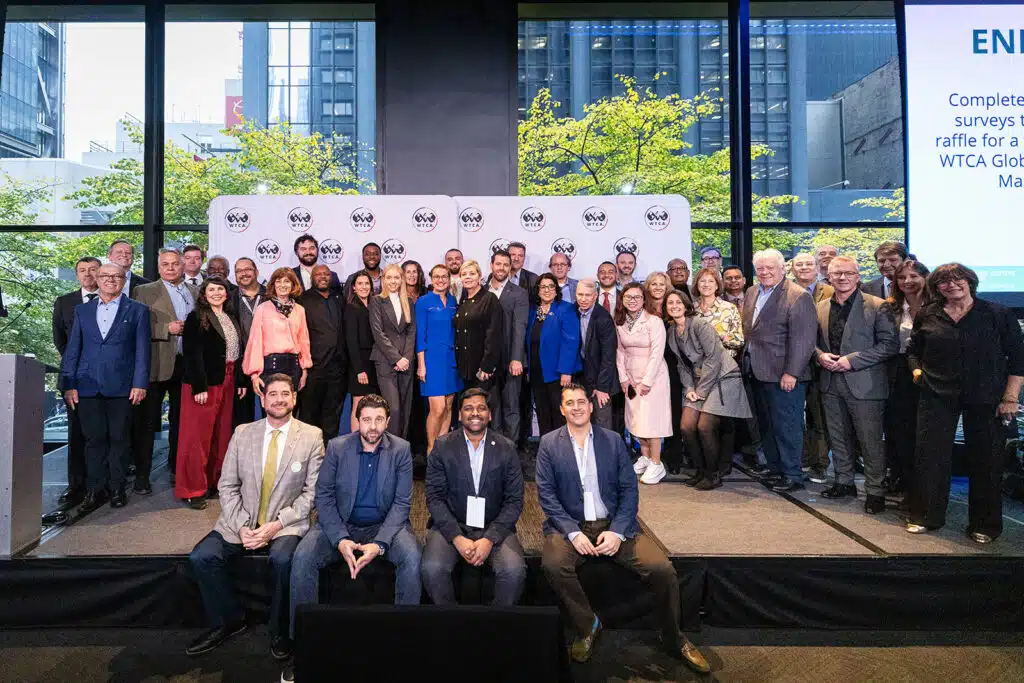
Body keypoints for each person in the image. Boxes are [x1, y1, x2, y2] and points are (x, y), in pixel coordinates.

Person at [535, 384, 709, 673]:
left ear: (591, 407)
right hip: (570, 526)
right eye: (570, 403)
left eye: (582, 402)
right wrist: (573, 533)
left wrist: (617, 531)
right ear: (561, 409)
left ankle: (674, 638)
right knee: (553, 565)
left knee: (661, 569)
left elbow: (630, 491)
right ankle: (587, 625)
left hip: (614, 523)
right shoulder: (549, 444)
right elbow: (547, 496)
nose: (577, 407)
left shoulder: (613, 441)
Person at [186, 374, 322, 661]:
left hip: (285, 525)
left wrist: (274, 526)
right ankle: (230, 619)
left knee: (284, 561)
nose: (279, 399)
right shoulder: (243, 432)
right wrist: (242, 526)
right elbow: (227, 485)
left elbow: (311, 494)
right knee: (202, 557)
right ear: (262, 399)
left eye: (286, 393)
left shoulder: (311, 436)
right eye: (273, 394)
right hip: (241, 523)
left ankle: (279, 630)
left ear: (294, 398)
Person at [287, 394, 422, 683]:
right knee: (302, 558)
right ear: (357, 421)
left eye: (378, 420)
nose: (372, 426)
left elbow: (402, 504)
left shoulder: (401, 450)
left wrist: (380, 543)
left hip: (386, 526)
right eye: (366, 419)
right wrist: (340, 539)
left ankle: (405, 643)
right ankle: (302, 646)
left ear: (387, 421)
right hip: (340, 524)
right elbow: (323, 498)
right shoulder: (337, 448)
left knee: (412, 558)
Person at [905, 263, 1024, 543]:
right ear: (936, 288)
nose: (952, 285)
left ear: (971, 282)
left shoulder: (997, 314)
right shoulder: (928, 314)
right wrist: (917, 372)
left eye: (958, 279)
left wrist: (1010, 397)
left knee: (986, 460)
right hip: (936, 393)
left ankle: (985, 525)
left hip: (987, 396)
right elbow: (913, 351)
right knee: (930, 457)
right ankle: (925, 517)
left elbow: (1018, 359)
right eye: (944, 282)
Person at [421, 389, 526, 605]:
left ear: (489, 414)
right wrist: (456, 537)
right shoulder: (442, 447)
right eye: (468, 408)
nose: (474, 413)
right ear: (459, 415)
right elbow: (434, 498)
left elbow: (514, 501)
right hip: (451, 524)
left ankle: (495, 630)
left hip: (494, 525)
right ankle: (452, 626)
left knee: (514, 570)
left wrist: (490, 538)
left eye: (481, 408)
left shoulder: (507, 448)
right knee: (432, 569)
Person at [60, 263, 150, 512]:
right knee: (93, 441)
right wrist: (69, 384)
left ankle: (117, 488)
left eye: (117, 276)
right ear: (97, 280)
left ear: (124, 280)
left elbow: (143, 351)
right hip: (87, 387)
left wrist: (140, 383)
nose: (111, 280)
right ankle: (94, 490)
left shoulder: (138, 311)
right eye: (106, 276)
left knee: (120, 439)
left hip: (123, 387)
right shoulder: (82, 311)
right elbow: (73, 349)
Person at [814, 256, 899, 514]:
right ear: (828, 276)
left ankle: (875, 491)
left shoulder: (878, 306)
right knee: (837, 436)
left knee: (870, 440)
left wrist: (853, 361)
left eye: (848, 273)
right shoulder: (820, 307)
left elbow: (889, 345)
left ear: (857, 275)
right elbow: (812, 342)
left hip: (865, 384)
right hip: (830, 381)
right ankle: (843, 481)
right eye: (836, 273)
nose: (842, 277)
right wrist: (819, 355)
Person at [740, 249, 817, 492]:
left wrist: (792, 373)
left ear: (783, 269)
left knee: (787, 426)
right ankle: (776, 469)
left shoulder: (797, 296)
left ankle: (793, 475)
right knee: (767, 425)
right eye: (760, 268)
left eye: (770, 268)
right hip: (756, 370)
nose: (764, 272)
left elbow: (803, 340)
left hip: (784, 374)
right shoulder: (753, 291)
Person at [665, 290, 750, 490]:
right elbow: (681, 365)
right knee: (686, 426)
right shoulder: (672, 331)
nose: (674, 306)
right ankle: (700, 470)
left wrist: (700, 391)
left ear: (686, 305)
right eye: (670, 303)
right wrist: (689, 389)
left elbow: (713, 358)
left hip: (722, 378)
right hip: (697, 381)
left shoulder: (699, 324)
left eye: (678, 302)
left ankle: (713, 474)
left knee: (704, 426)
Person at [177, 277, 246, 510]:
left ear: (227, 294)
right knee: (196, 438)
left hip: (227, 378)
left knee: (221, 434)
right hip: (204, 383)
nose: (217, 293)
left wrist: (240, 380)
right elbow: (192, 354)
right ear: (203, 294)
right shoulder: (196, 317)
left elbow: (237, 352)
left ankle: (214, 481)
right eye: (211, 290)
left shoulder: (231, 317)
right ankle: (192, 489)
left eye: (221, 289)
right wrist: (199, 387)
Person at [133, 248, 197, 494]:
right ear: (158, 267)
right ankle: (142, 476)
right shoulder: (144, 291)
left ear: (184, 266)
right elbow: (136, 328)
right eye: (165, 264)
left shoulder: (195, 291)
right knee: (147, 423)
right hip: (156, 364)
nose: (170, 268)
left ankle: (175, 470)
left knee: (181, 423)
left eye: (175, 264)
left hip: (186, 364)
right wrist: (165, 329)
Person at [51, 256, 101, 514]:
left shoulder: (110, 301)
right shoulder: (64, 302)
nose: (88, 274)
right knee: (76, 434)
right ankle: (75, 486)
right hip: (74, 378)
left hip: (104, 379)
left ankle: (98, 486)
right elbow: (60, 340)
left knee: (99, 435)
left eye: (93, 270)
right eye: (82, 270)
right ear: (77, 275)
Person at [616, 282, 672, 485]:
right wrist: (623, 377)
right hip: (630, 376)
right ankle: (646, 457)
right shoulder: (620, 321)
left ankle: (657, 464)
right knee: (636, 419)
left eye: (637, 297)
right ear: (622, 299)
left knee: (652, 421)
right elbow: (620, 351)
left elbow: (658, 353)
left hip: (653, 377)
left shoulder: (654, 321)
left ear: (644, 299)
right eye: (628, 297)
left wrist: (647, 380)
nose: (632, 301)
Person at [884, 259, 930, 497]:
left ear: (925, 277)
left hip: (928, 372)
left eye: (913, 276)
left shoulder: (937, 306)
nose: (907, 282)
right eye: (902, 278)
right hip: (895, 370)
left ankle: (920, 487)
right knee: (897, 428)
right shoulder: (891, 306)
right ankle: (900, 477)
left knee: (921, 431)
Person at [790, 253, 834, 482]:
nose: (804, 268)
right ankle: (802, 458)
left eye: (809, 264)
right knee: (793, 415)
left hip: (821, 363)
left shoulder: (830, 291)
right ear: (792, 269)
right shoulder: (786, 292)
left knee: (818, 416)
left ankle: (820, 464)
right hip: (792, 363)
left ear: (817, 267)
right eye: (800, 264)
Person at [297, 265, 348, 446]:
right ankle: (308, 456)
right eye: (318, 274)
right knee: (309, 415)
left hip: (338, 369)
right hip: (314, 368)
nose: (323, 277)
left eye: (326, 274)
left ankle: (329, 456)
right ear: (312, 277)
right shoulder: (303, 300)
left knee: (332, 415)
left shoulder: (339, 298)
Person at [416, 264, 463, 455]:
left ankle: (441, 449)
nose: (441, 280)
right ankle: (431, 448)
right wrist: (421, 365)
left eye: (444, 276)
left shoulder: (453, 301)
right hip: (432, 360)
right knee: (438, 407)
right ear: (431, 279)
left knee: (449, 406)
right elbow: (420, 335)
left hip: (451, 360)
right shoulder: (423, 302)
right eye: (437, 276)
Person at [243, 267, 311, 397]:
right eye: (278, 281)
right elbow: (255, 342)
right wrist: (254, 374)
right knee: (271, 409)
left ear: (293, 285)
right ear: (273, 284)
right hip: (270, 367)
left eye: (287, 281)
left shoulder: (300, 310)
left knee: (289, 409)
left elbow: (304, 340)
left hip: (293, 366)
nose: (282, 285)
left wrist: (305, 369)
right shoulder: (262, 309)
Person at [528, 273, 581, 437]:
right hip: (537, 371)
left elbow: (571, 342)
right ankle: (546, 449)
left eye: (551, 286)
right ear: (537, 290)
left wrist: (566, 371)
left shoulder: (565, 309)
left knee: (559, 413)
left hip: (558, 373)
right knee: (543, 413)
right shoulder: (533, 311)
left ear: (556, 289)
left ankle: (562, 451)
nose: (547, 290)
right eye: (543, 287)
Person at [370, 263, 417, 438]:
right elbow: (378, 332)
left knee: (406, 409)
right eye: (389, 277)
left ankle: (402, 452)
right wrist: (396, 359)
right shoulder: (377, 301)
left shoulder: (409, 302)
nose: (393, 281)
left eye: (396, 277)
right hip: (385, 361)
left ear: (402, 279)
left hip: (406, 363)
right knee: (394, 409)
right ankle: (389, 451)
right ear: (384, 280)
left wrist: (406, 358)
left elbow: (411, 332)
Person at [487, 250, 529, 443]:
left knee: (511, 408)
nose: (502, 268)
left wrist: (516, 358)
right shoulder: (481, 290)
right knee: (491, 407)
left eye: (506, 264)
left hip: (511, 360)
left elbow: (520, 327)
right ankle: (494, 452)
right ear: (491, 265)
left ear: (510, 267)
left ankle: (510, 453)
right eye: (498, 264)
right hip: (487, 362)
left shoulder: (519, 293)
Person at [454, 260, 503, 398]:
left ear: (480, 276)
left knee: (481, 408)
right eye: (464, 274)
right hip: (463, 367)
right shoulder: (463, 300)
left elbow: (493, 334)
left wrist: (487, 366)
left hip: (481, 368)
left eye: (472, 273)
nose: (468, 277)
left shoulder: (489, 299)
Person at [574, 278, 619, 430]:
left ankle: (606, 454)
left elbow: (608, 357)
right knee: (582, 423)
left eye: (588, 295)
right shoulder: (572, 311)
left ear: (595, 296)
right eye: (580, 295)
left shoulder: (603, 318)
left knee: (602, 425)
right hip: (581, 378)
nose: (583, 299)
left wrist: (601, 388)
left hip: (602, 381)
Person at [345, 271, 381, 431]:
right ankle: (355, 441)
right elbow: (351, 341)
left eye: (367, 284)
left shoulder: (373, 305)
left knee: (371, 406)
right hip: (359, 363)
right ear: (353, 287)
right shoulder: (352, 308)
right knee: (359, 405)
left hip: (373, 361)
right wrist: (359, 370)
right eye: (360, 284)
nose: (364, 287)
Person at [232, 257, 265, 427]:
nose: (243, 273)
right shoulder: (228, 299)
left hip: (267, 364)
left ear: (256, 272)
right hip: (240, 366)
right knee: (242, 419)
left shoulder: (271, 296)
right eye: (239, 271)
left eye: (247, 269)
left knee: (271, 414)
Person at [691, 268, 744, 358]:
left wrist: (722, 338)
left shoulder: (729, 308)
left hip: (724, 364)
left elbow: (739, 340)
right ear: (697, 285)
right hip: (698, 366)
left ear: (717, 286)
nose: (706, 284)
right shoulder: (691, 310)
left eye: (711, 281)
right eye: (702, 281)